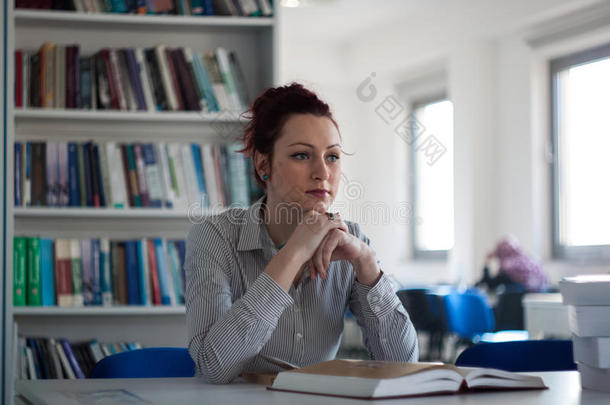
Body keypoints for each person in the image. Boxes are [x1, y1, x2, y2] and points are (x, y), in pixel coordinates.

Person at [185, 83, 418, 384]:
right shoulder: (214, 237)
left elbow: (403, 366)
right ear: (262, 163)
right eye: (301, 156)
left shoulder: (351, 241)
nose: (322, 172)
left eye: (332, 156)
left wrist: (367, 263)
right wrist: (294, 253)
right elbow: (212, 368)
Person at [477, 236, 548, 292]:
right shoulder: (530, 262)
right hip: (537, 303)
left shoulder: (507, 267)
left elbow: (489, 284)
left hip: (515, 307)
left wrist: (486, 262)